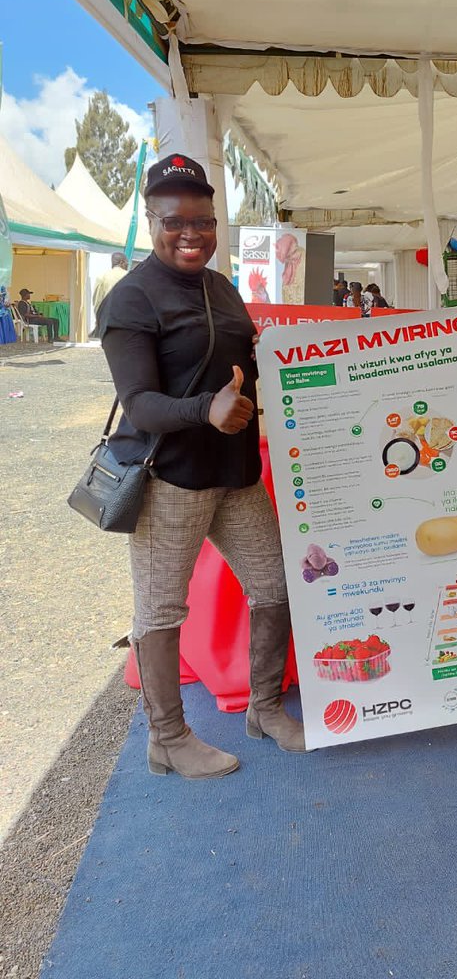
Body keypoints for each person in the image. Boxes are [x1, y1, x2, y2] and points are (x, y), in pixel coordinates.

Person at [99, 152, 305, 780]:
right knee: (161, 611)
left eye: (204, 221)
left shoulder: (221, 287)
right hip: (170, 479)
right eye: (175, 221)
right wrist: (204, 410)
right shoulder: (131, 298)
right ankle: (167, 738)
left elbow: (235, 364)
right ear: (151, 220)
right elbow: (139, 402)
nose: (190, 233)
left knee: (277, 587)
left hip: (235, 477)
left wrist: (277, 360)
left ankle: (264, 708)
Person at [92, 252, 129, 321]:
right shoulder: (130, 276)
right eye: (127, 263)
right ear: (122, 262)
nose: (128, 266)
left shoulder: (102, 277)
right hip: (125, 320)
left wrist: (98, 321)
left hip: (107, 320)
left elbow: (97, 302)